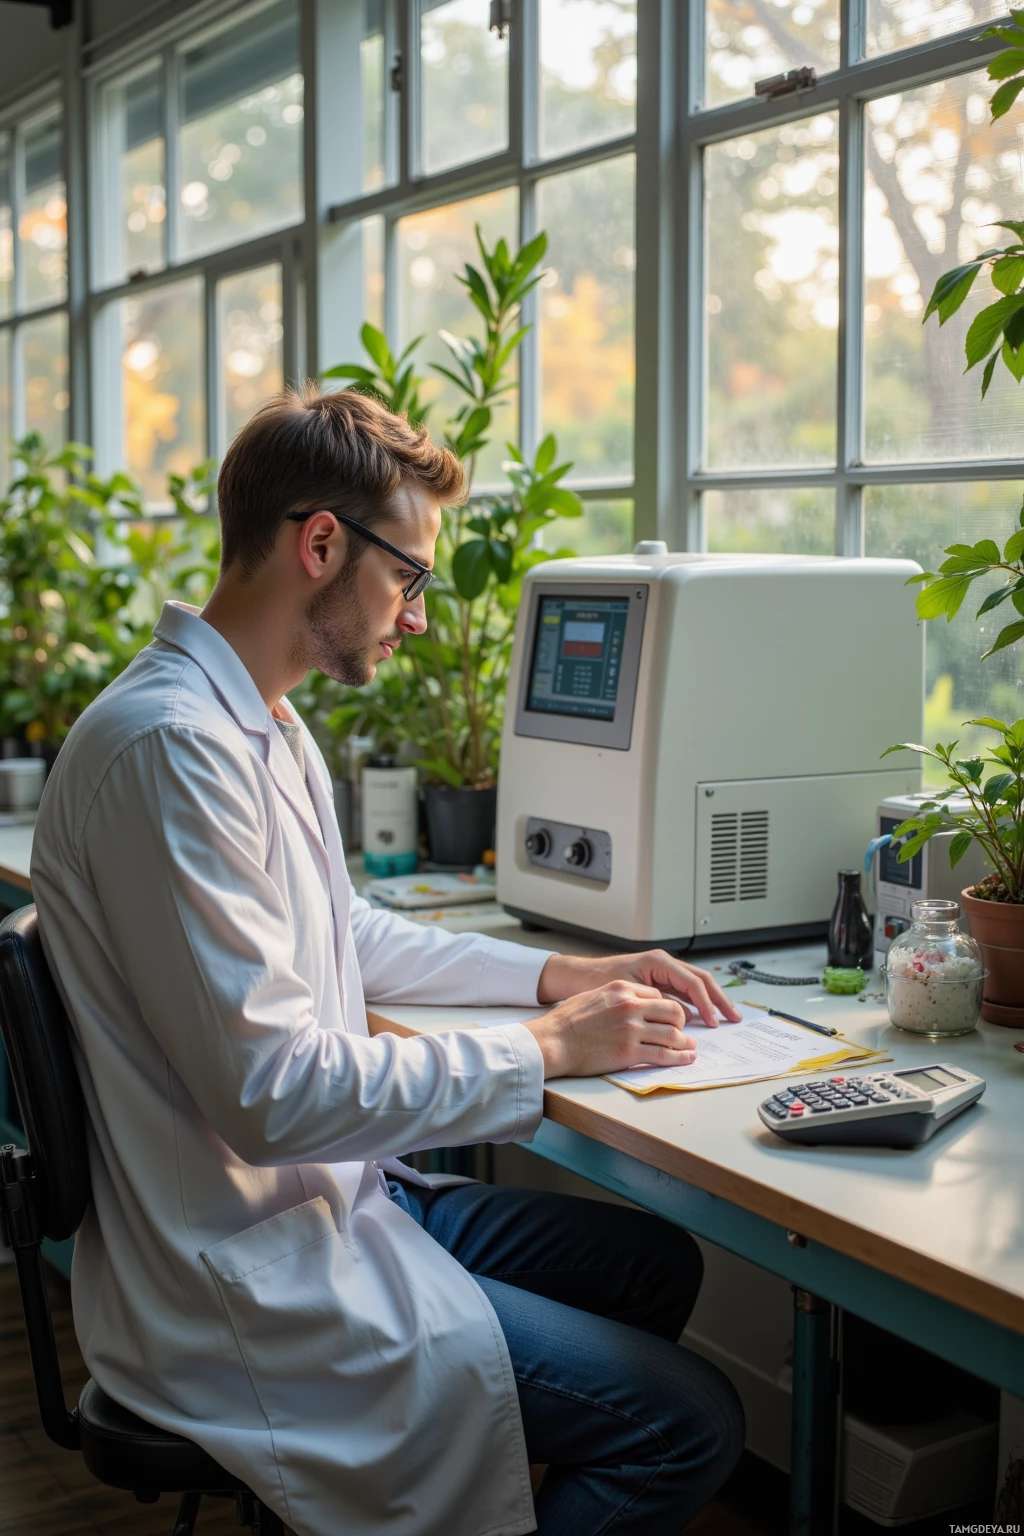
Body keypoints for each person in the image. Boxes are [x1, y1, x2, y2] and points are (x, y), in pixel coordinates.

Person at [31, 385, 745, 1536]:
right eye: (408, 575)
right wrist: (544, 1051)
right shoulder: (173, 751)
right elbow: (273, 1094)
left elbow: (341, 935)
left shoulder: (256, 718)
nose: (414, 612)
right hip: (243, 1278)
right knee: (688, 1423)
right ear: (321, 543)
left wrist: (547, 979)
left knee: (650, 1266)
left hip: (328, 1210)